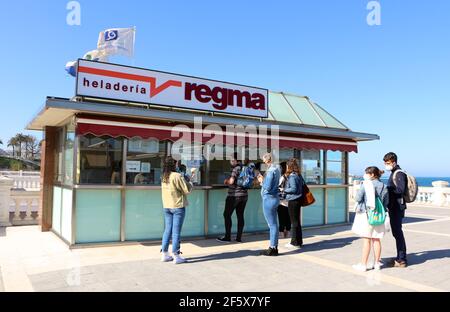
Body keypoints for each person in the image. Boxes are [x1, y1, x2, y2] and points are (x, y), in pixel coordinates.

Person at [352, 166, 389, 272]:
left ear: (372, 174)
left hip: (367, 215)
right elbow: (386, 202)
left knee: (367, 241)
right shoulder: (384, 186)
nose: (365, 175)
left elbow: (358, 198)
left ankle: (363, 265)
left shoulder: (365, 184)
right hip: (379, 215)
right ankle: (377, 263)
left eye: (367, 173)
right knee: (377, 240)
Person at [160, 156, 193, 264]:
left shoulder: (164, 176)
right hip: (178, 206)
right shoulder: (177, 175)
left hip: (167, 206)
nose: (177, 165)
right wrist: (190, 181)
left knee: (167, 230)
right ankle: (176, 255)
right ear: (173, 164)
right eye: (176, 163)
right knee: (176, 232)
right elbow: (187, 190)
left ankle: (164, 254)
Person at [217, 153, 248, 243]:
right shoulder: (244, 168)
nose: (230, 161)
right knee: (240, 215)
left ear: (235, 160)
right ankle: (239, 238)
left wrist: (226, 181)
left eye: (231, 159)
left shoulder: (235, 169)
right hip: (244, 196)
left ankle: (227, 237)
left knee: (226, 215)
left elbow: (231, 181)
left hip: (234, 196)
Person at [384, 152, 408, 267]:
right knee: (396, 233)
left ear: (394, 162)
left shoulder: (399, 174)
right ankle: (400, 257)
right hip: (394, 207)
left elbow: (400, 190)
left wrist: (387, 190)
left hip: (397, 208)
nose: (386, 165)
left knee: (398, 233)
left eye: (388, 163)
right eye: (385, 163)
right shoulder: (394, 173)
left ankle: (401, 259)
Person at [257, 153, 281, 256]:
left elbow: (268, 187)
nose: (263, 162)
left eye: (264, 160)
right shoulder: (277, 169)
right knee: (274, 224)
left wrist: (261, 180)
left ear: (268, 160)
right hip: (274, 198)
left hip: (269, 199)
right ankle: (273, 247)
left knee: (272, 225)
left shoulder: (271, 171)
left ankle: (272, 248)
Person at [282, 158, 305, 249]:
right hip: (298, 200)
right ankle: (299, 241)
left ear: (290, 166)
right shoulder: (298, 175)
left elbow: (293, 189)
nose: (286, 167)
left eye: (287, 165)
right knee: (297, 222)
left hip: (293, 200)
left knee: (294, 222)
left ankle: (294, 243)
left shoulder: (292, 176)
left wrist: (284, 190)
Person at [277, 162, 290, 239]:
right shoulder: (290, 176)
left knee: (281, 217)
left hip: (281, 201)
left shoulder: (282, 177)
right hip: (289, 200)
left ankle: (281, 233)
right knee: (288, 217)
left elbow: (278, 187)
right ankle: (288, 232)